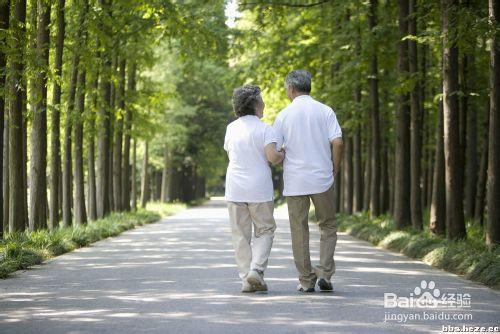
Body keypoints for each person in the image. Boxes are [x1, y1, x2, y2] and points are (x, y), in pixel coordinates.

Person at [273, 70, 344, 293]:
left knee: (299, 229)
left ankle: (306, 279)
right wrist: (335, 167)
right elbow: (338, 142)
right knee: (328, 225)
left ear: (291, 89)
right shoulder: (325, 111)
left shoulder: (283, 115)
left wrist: (283, 154)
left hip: (295, 181)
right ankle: (325, 273)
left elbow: (276, 151)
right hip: (322, 178)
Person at [224, 84, 285, 293]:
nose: (264, 103)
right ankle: (257, 270)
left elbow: (230, 153)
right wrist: (282, 153)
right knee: (265, 230)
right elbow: (273, 157)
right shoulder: (265, 129)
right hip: (259, 189)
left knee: (240, 234)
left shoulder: (231, 128)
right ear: (256, 104)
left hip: (234, 189)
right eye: (261, 100)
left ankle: (245, 280)